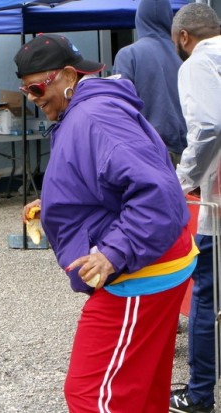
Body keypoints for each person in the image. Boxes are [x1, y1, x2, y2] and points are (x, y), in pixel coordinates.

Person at [15, 34, 198, 412]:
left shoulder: (94, 116)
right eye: (26, 90)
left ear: (69, 76)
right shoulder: (83, 111)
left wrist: (114, 252)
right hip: (154, 262)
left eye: (37, 88)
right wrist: (55, 202)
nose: (32, 99)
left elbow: (157, 192)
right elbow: (105, 177)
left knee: (91, 395)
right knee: (141, 391)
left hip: (139, 272)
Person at [169, 4, 221, 412]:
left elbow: (208, 126)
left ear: (183, 37)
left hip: (219, 200)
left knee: (207, 295)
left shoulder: (199, 63)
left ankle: (200, 393)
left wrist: (181, 181)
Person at [112, 0, 187, 167]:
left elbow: (120, 109)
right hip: (189, 154)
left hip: (151, 155)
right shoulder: (184, 53)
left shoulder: (128, 55)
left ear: (140, 18)